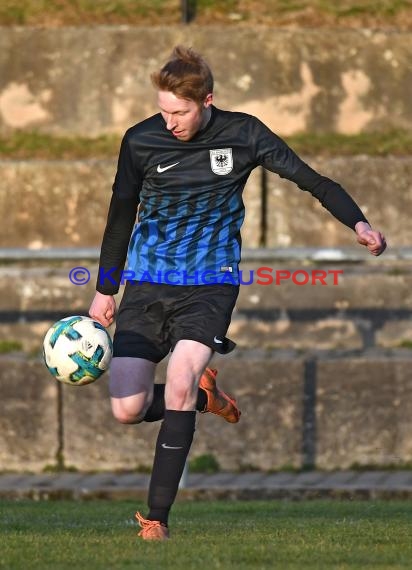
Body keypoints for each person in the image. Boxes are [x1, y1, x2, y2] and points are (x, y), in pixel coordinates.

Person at [88, 45, 386, 541]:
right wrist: (104, 289)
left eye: (179, 112)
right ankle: (205, 402)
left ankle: (156, 519)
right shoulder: (140, 142)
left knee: (180, 378)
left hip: (210, 283)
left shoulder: (244, 133)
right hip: (146, 282)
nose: (169, 122)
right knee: (127, 408)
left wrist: (359, 222)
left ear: (207, 99)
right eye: (162, 110)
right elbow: (120, 215)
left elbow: (312, 181)